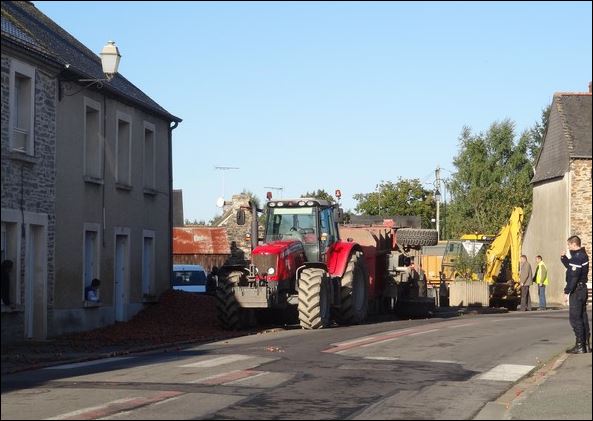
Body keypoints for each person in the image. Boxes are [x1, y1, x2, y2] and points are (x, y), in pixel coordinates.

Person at [561, 235, 590, 354]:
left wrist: (567, 291)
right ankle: (585, 344)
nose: (568, 247)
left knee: (575, 319)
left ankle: (580, 346)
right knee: (582, 317)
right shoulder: (582, 255)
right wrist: (564, 259)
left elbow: (573, 276)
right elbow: (572, 267)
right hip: (582, 289)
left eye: (569, 245)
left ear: (574, 244)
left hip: (577, 291)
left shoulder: (577, 257)